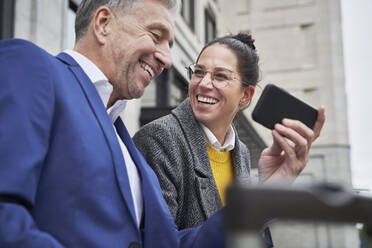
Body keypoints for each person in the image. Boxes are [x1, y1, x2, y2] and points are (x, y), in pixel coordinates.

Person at [0, 0, 225, 247]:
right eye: (156, 35)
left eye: (169, 45)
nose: (167, 60)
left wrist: (260, 203)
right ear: (104, 24)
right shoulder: (32, 67)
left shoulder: (133, 155)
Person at [133, 33, 325, 239]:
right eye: (198, 72)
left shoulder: (239, 151)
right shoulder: (158, 139)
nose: (204, 83)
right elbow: (160, 242)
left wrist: (268, 192)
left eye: (220, 76)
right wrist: (254, 203)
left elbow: (246, 238)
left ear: (245, 95)